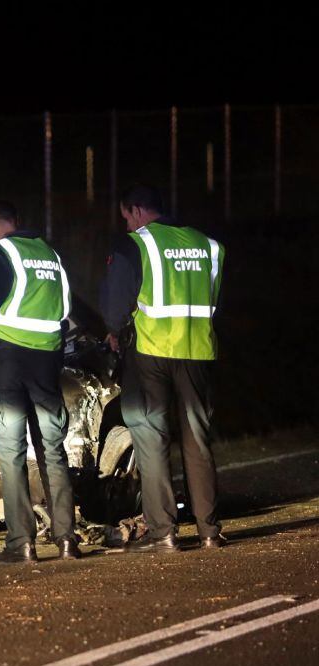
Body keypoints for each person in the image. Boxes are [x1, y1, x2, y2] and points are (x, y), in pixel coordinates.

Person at [101, 184, 226, 552]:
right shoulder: (209, 246)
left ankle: (164, 533)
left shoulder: (136, 244)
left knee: (151, 438)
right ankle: (209, 531)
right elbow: (213, 299)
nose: (126, 226)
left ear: (137, 210)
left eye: (126, 218)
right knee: (197, 440)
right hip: (198, 351)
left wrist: (113, 331)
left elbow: (114, 309)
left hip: (150, 351)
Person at [0, 201, 80, 562]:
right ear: (19, 220)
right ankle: (66, 540)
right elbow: (64, 308)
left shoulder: (0, 252)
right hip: (47, 361)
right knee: (53, 450)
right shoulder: (50, 253)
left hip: (8, 362)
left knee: (11, 451)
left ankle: (22, 543)